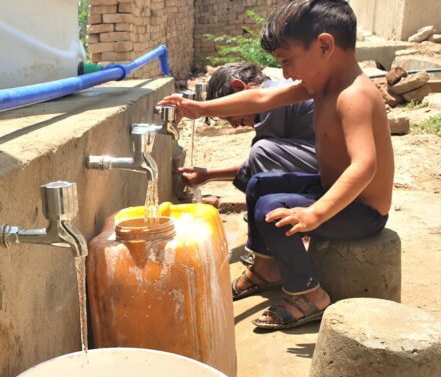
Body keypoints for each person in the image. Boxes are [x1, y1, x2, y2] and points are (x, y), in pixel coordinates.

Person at [158, 0, 394, 330]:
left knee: (271, 209)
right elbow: (262, 98)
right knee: (259, 184)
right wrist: (198, 107)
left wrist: (315, 214)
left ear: (324, 45)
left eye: (288, 61)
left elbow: (364, 166)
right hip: (333, 192)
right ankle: (267, 268)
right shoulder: (323, 84)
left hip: (363, 212)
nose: (285, 73)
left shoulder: (353, 95)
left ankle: (309, 293)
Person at [179, 62, 318, 198]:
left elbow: (262, 157)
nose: (234, 126)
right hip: (322, 162)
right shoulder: (277, 93)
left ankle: (283, 209)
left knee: (262, 151)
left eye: (230, 116)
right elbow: (260, 161)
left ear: (238, 88)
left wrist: (199, 109)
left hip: (331, 170)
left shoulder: (273, 104)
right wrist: (208, 175)